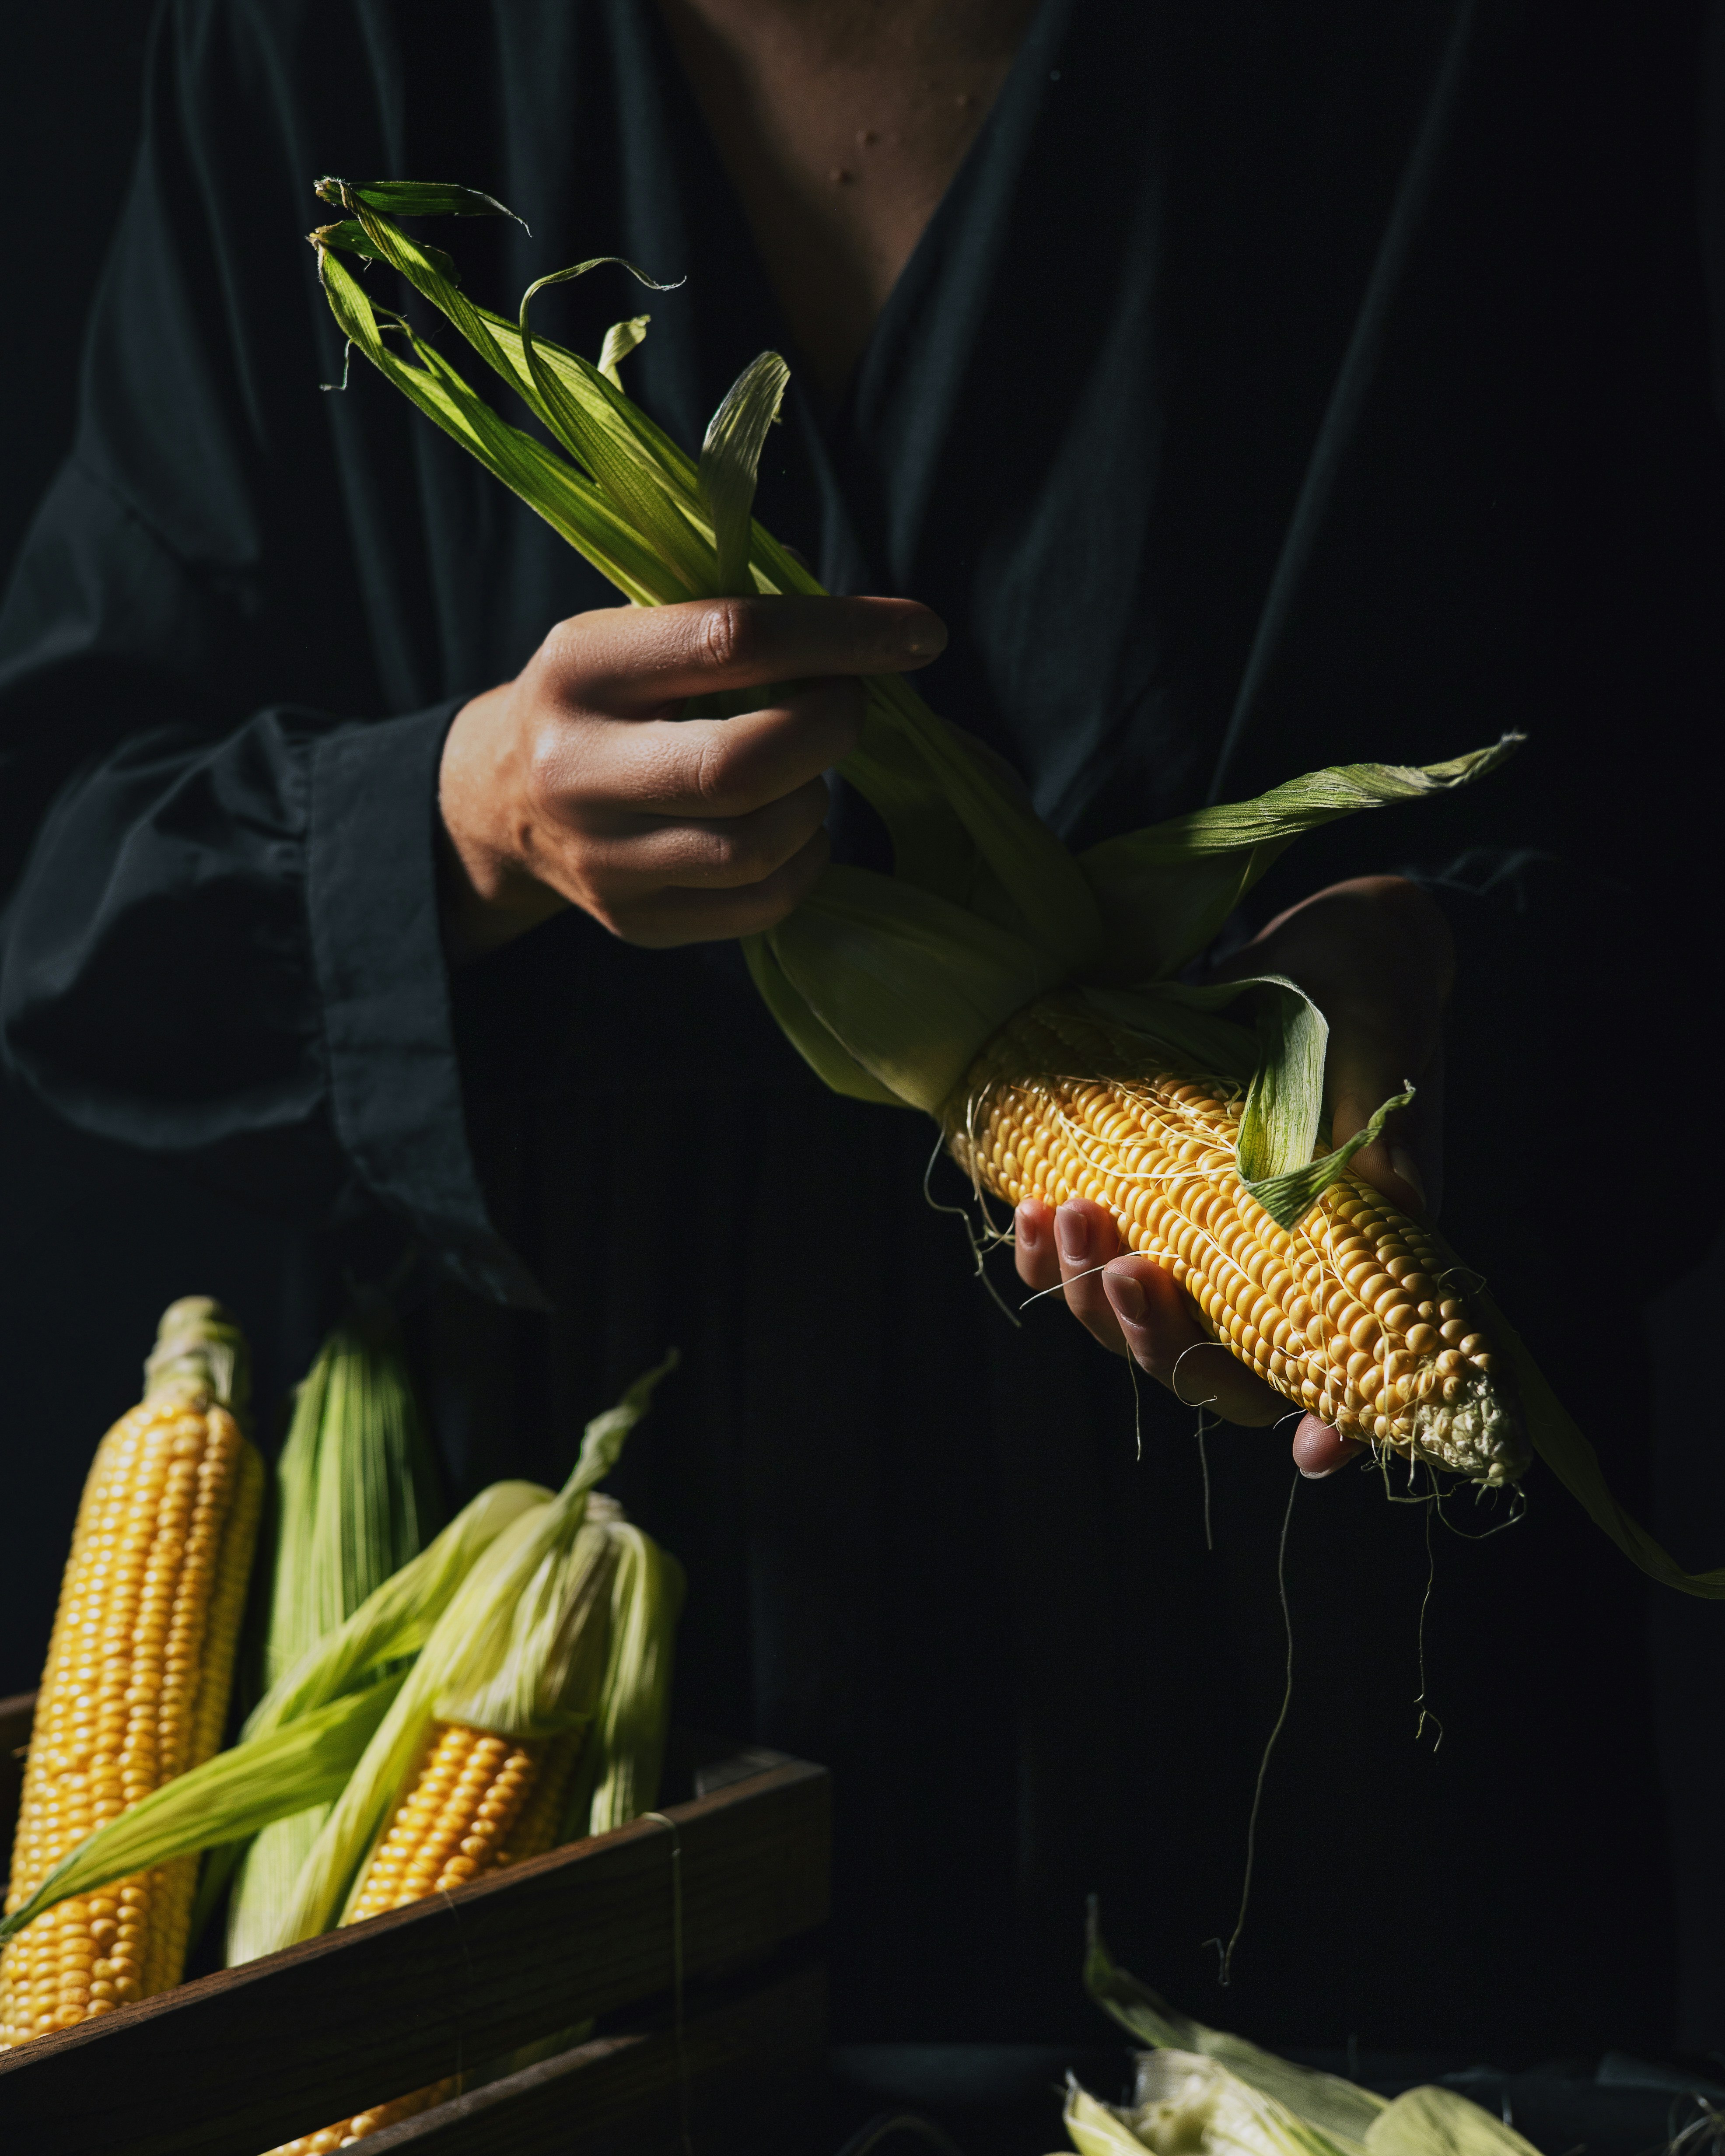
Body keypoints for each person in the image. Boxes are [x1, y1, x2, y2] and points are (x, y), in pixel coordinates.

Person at [0, 0, 1719, 2048]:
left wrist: (1411, 960)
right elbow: (75, 882)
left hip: (1307, 1659)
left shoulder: (1476, 62)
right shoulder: (328, 51)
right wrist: (461, 814)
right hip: (598, 1632)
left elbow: (1662, 812)